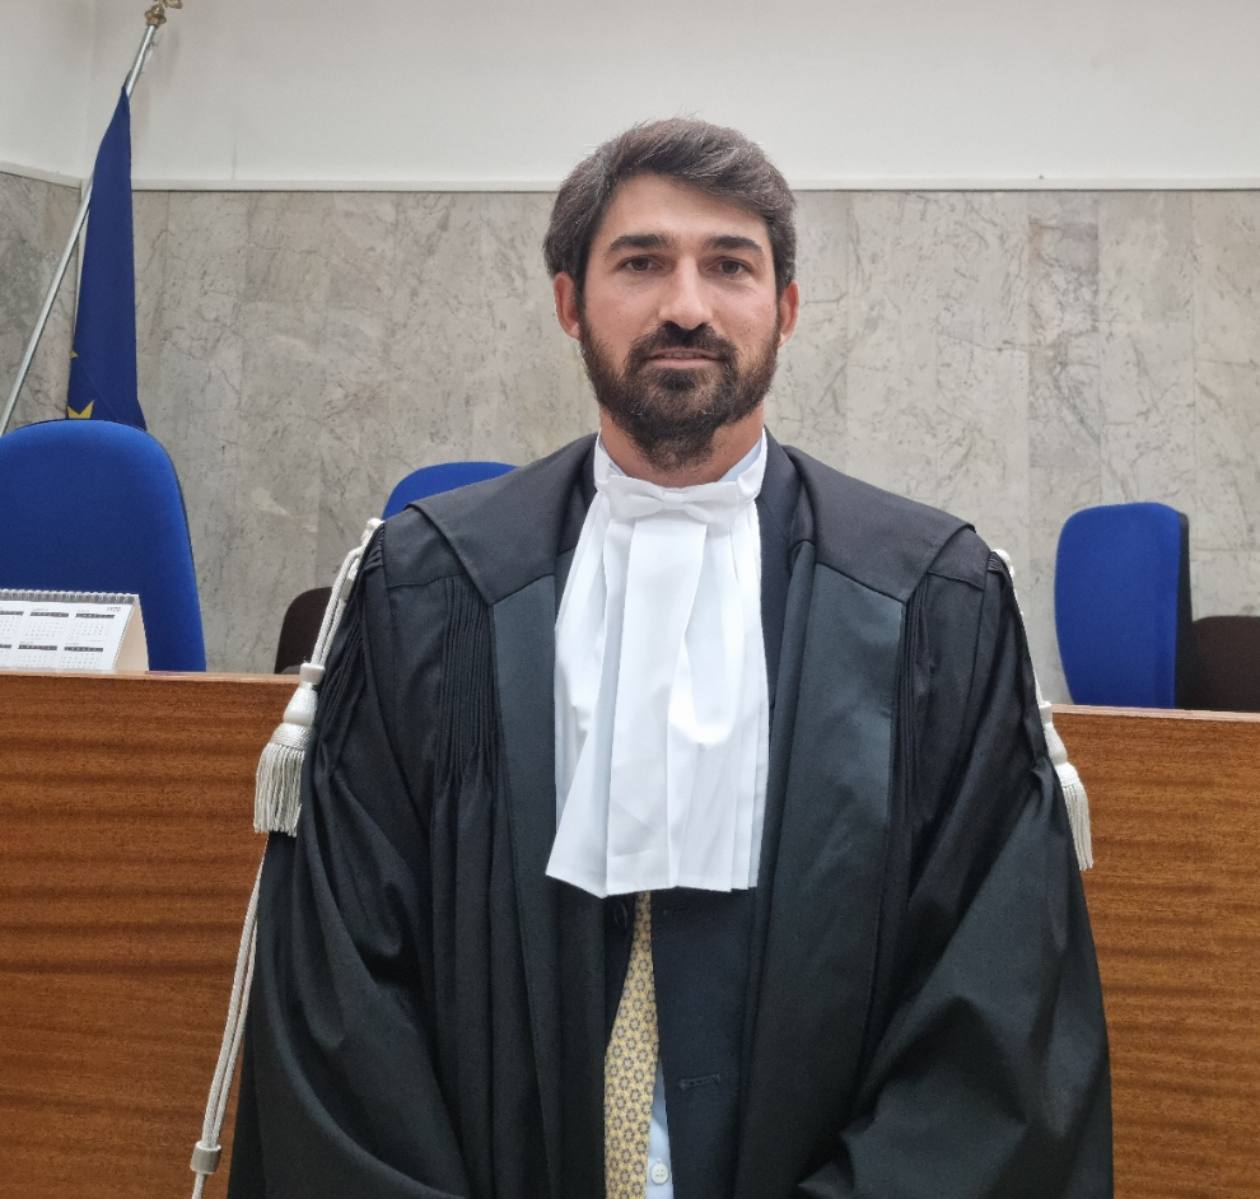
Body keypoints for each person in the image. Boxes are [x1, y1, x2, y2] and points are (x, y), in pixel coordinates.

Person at [226, 118, 1112, 1198]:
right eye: (641, 262)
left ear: (786, 309)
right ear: (570, 303)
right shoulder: (432, 588)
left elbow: (995, 1011)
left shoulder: (928, 601)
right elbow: (345, 1000)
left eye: (729, 266)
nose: (686, 305)